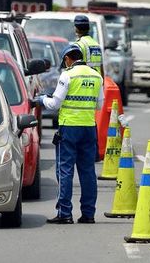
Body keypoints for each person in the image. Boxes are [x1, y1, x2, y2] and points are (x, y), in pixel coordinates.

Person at [33, 44, 104, 224]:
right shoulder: (96, 76)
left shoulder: (68, 74)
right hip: (89, 128)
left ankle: (65, 213)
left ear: (67, 59)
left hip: (69, 128)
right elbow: (99, 106)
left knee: (65, 170)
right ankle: (88, 214)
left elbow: (55, 104)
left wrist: (42, 100)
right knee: (88, 172)